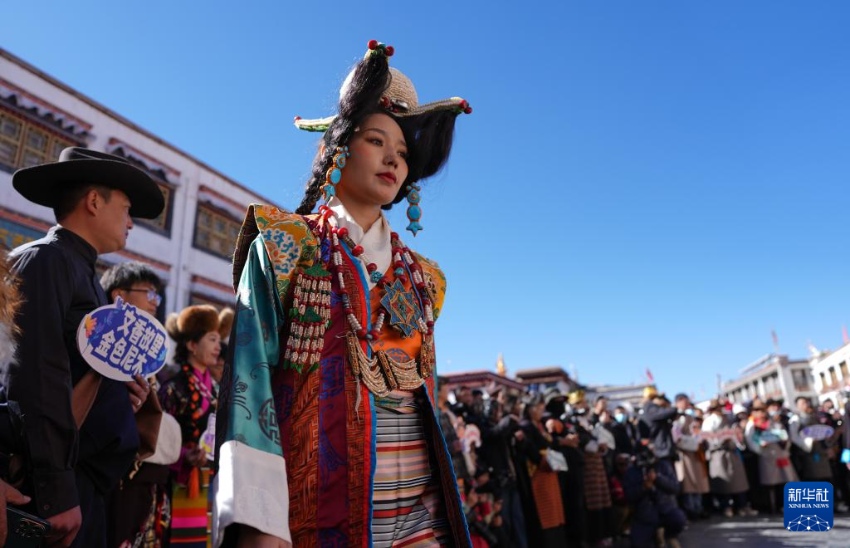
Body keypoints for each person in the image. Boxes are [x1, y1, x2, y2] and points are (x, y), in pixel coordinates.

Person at [212, 40, 471, 547]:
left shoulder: (424, 277)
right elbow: (250, 385)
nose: (393, 160)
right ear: (338, 147)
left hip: (421, 506)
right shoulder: (286, 247)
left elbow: (426, 392)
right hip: (317, 507)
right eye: (377, 141)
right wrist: (259, 523)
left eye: (402, 153)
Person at [2, 147, 163, 547]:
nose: (131, 223)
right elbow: (35, 376)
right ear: (94, 201)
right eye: (126, 209)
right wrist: (57, 491)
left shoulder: (86, 275)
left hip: (84, 481)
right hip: (50, 490)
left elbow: (78, 374)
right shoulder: (44, 261)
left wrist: (118, 396)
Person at [100, 261, 181, 548]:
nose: (154, 302)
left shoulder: (148, 355)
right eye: (148, 293)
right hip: (116, 480)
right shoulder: (102, 347)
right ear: (119, 296)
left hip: (149, 483)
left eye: (157, 296)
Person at [159, 304, 223, 546]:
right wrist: (185, 455)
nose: (218, 346)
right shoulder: (174, 387)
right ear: (192, 345)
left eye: (219, 339)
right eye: (212, 339)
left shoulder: (215, 388)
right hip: (178, 481)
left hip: (209, 480)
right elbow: (159, 438)